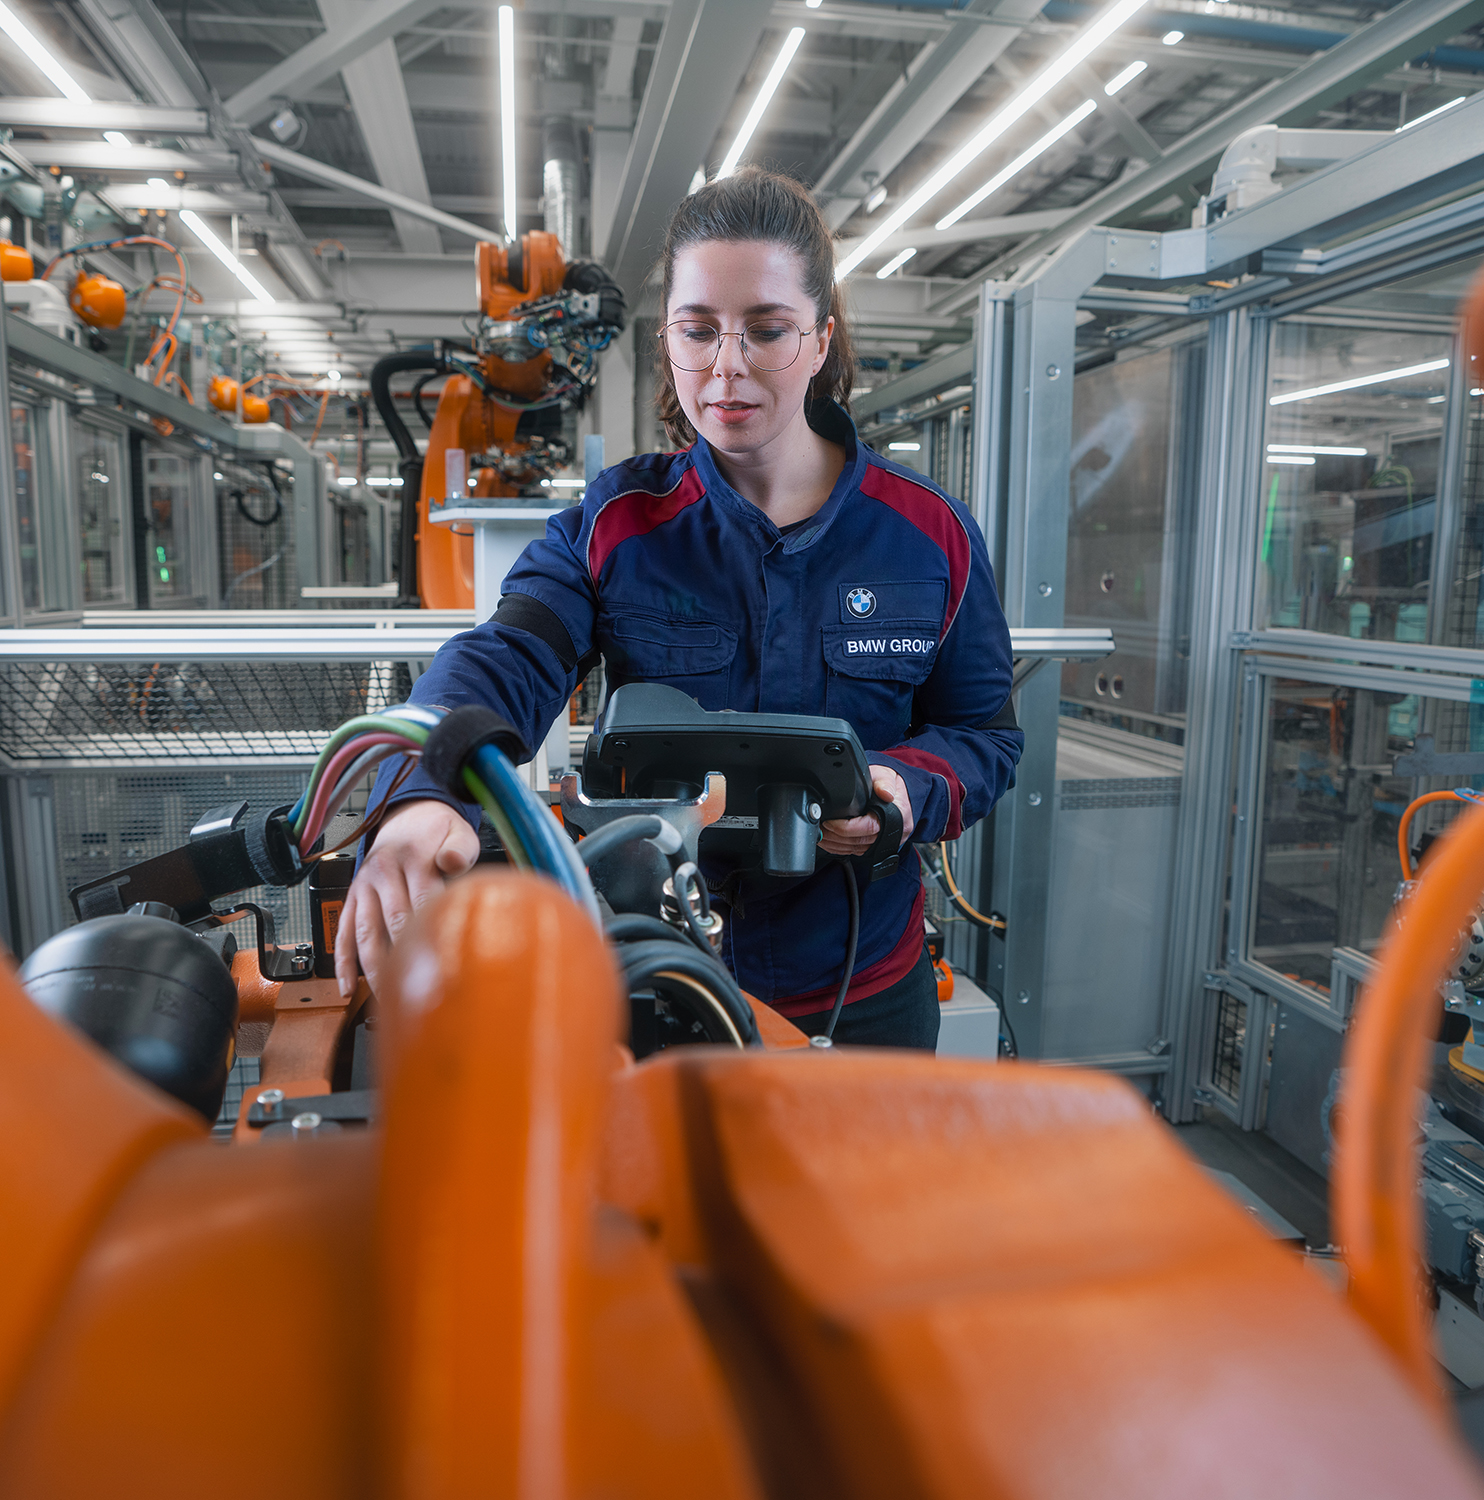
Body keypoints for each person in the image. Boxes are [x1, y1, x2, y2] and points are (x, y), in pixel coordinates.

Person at [338, 168, 1023, 1048]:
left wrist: (904, 788)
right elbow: (507, 656)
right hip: (667, 979)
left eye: (767, 330)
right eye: (697, 331)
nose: (726, 368)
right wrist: (428, 788)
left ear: (820, 339)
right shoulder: (616, 523)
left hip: (863, 991)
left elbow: (985, 735)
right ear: (667, 340)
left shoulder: (932, 536)